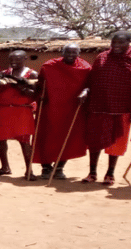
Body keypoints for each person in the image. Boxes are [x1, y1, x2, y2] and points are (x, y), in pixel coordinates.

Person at [80, 32, 131, 185]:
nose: (115, 46)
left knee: (117, 141)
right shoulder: (102, 57)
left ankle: (110, 174)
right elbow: (92, 79)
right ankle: (92, 172)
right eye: (113, 42)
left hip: (123, 106)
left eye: (120, 43)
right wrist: (87, 93)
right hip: (99, 105)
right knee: (95, 140)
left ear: (130, 41)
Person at [32, 44, 91, 180]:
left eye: (74, 52)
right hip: (49, 107)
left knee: (68, 137)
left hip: (72, 109)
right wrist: (39, 95)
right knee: (46, 137)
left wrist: (86, 91)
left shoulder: (85, 68)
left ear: (79, 53)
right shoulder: (49, 66)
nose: (71, 55)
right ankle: (46, 168)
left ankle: (59, 168)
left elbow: (90, 85)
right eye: (67, 52)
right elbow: (40, 84)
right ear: (62, 53)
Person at [0, 50, 38, 178]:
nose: (13, 62)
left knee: (25, 142)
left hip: (22, 111)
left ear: (25, 58)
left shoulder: (32, 74)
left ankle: (29, 170)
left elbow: (35, 94)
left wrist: (19, 85)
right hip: (4, 110)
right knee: (1, 140)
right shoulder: (4, 73)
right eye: (11, 60)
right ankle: (5, 167)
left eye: (17, 59)